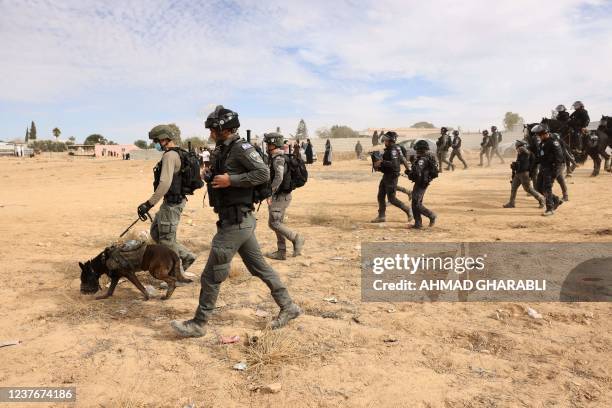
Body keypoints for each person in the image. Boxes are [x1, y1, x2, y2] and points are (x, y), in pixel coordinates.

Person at [170, 106, 301, 337]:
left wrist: (232, 180)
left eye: (213, 129)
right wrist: (213, 177)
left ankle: (199, 324)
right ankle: (288, 307)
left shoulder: (241, 148)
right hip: (238, 221)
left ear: (224, 128)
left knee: (211, 276)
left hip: (236, 222)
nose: (210, 133)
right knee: (260, 267)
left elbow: (263, 173)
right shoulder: (225, 149)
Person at [137, 125, 197, 274]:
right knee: (156, 232)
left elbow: (165, 183)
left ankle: (177, 274)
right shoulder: (175, 153)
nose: (155, 143)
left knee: (166, 242)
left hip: (172, 204)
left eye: (156, 140)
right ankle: (187, 256)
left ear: (164, 139)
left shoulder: (170, 156)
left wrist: (148, 204)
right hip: (170, 202)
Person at [263, 132, 305, 261]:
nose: (266, 145)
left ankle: (296, 238)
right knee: (276, 222)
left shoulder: (279, 158)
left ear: (273, 144)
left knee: (274, 223)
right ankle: (281, 252)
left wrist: (271, 192)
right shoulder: (276, 157)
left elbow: (279, 176)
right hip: (281, 196)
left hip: (280, 196)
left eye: (268, 143)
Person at [371, 131, 413, 224]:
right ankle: (381, 216)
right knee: (380, 196)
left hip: (391, 176)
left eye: (386, 140)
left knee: (392, 199)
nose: (384, 141)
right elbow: (403, 159)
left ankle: (408, 210)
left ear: (391, 140)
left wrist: (381, 162)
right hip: (386, 175)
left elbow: (394, 164)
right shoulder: (394, 148)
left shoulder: (393, 149)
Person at [532, 124, 564, 216]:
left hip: (551, 169)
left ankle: (550, 209)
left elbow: (559, 158)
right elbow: (541, 157)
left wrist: (555, 172)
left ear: (545, 133)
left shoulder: (554, 142)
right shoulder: (542, 143)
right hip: (543, 168)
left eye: (540, 135)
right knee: (538, 188)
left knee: (547, 188)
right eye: (538, 135)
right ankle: (556, 199)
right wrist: (533, 166)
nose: (539, 137)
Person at [503, 140, 544, 208]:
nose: (517, 148)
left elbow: (527, 153)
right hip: (518, 173)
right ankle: (511, 203)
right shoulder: (520, 154)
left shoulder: (527, 153)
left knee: (528, 189)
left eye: (518, 147)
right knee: (513, 187)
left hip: (524, 174)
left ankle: (541, 198)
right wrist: (515, 166)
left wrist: (523, 148)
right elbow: (520, 163)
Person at [407, 140, 437, 229]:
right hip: (422, 182)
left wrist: (410, 173)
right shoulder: (426, 157)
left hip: (421, 183)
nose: (416, 151)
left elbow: (417, 172)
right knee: (415, 203)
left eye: (417, 149)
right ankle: (418, 223)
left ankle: (431, 215)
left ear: (421, 149)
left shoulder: (422, 159)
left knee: (416, 203)